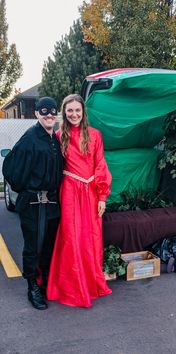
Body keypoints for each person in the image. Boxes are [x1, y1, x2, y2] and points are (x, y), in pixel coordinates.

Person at [47, 94, 112, 307]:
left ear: (83, 112)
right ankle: (72, 287)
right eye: (70, 111)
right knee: (71, 237)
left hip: (92, 190)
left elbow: (100, 164)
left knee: (91, 237)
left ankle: (91, 282)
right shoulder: (58, 136)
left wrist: (102, 195)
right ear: (64, 113)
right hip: (69, 191)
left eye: (77, 110)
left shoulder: (95, 135)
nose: (74, 114)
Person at [2, 97, 64, 310]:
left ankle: (44, 282)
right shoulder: (29, 138)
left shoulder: (53, 138)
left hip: (53, 204)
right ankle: (32, 288)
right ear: (36, 114)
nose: (49, 114)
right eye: (44, 111)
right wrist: (28, 192)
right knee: (33, 248)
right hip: (33, 204)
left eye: (52, 111)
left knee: (47, 247)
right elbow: (11, 170)